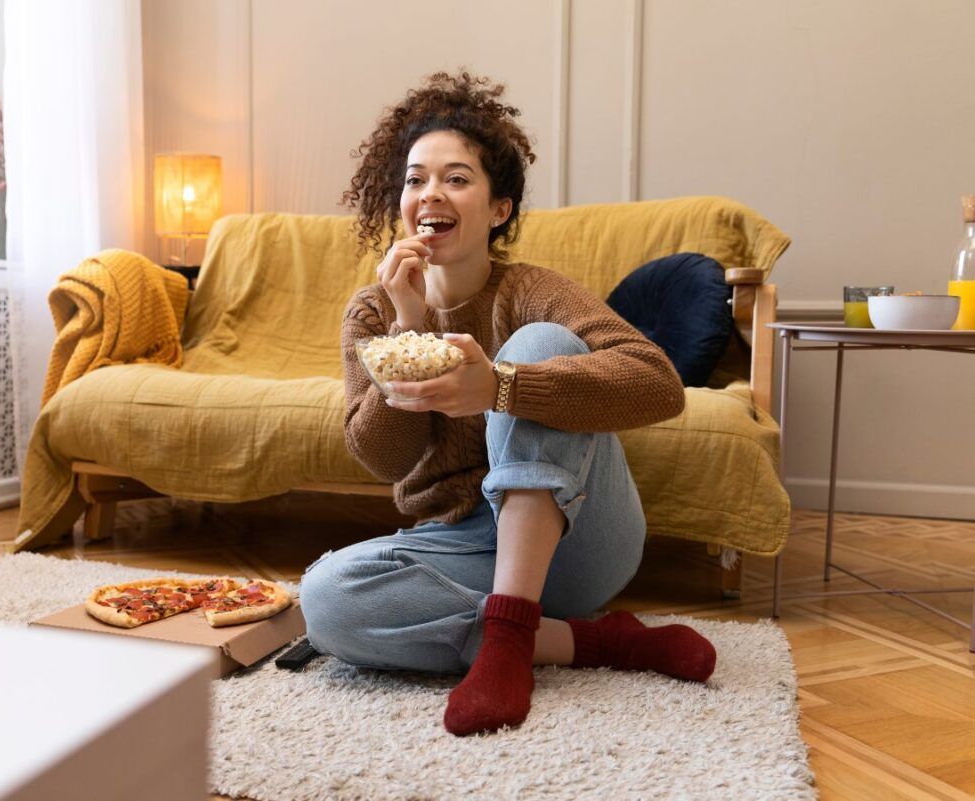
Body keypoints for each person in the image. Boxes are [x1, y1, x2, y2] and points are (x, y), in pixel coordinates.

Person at [299, 71, 716, 738]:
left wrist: (501, 387)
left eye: (456, 177)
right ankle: (598, 642)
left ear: (499, 208)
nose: (430, 192)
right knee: (323, 602)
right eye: (414, 179)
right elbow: (385, 457)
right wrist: (406, 333)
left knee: (541, 343)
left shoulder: (532, 289)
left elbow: (658, 383)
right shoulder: (372, 312)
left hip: (581, 540)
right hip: (464, 546)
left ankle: (508, 638)